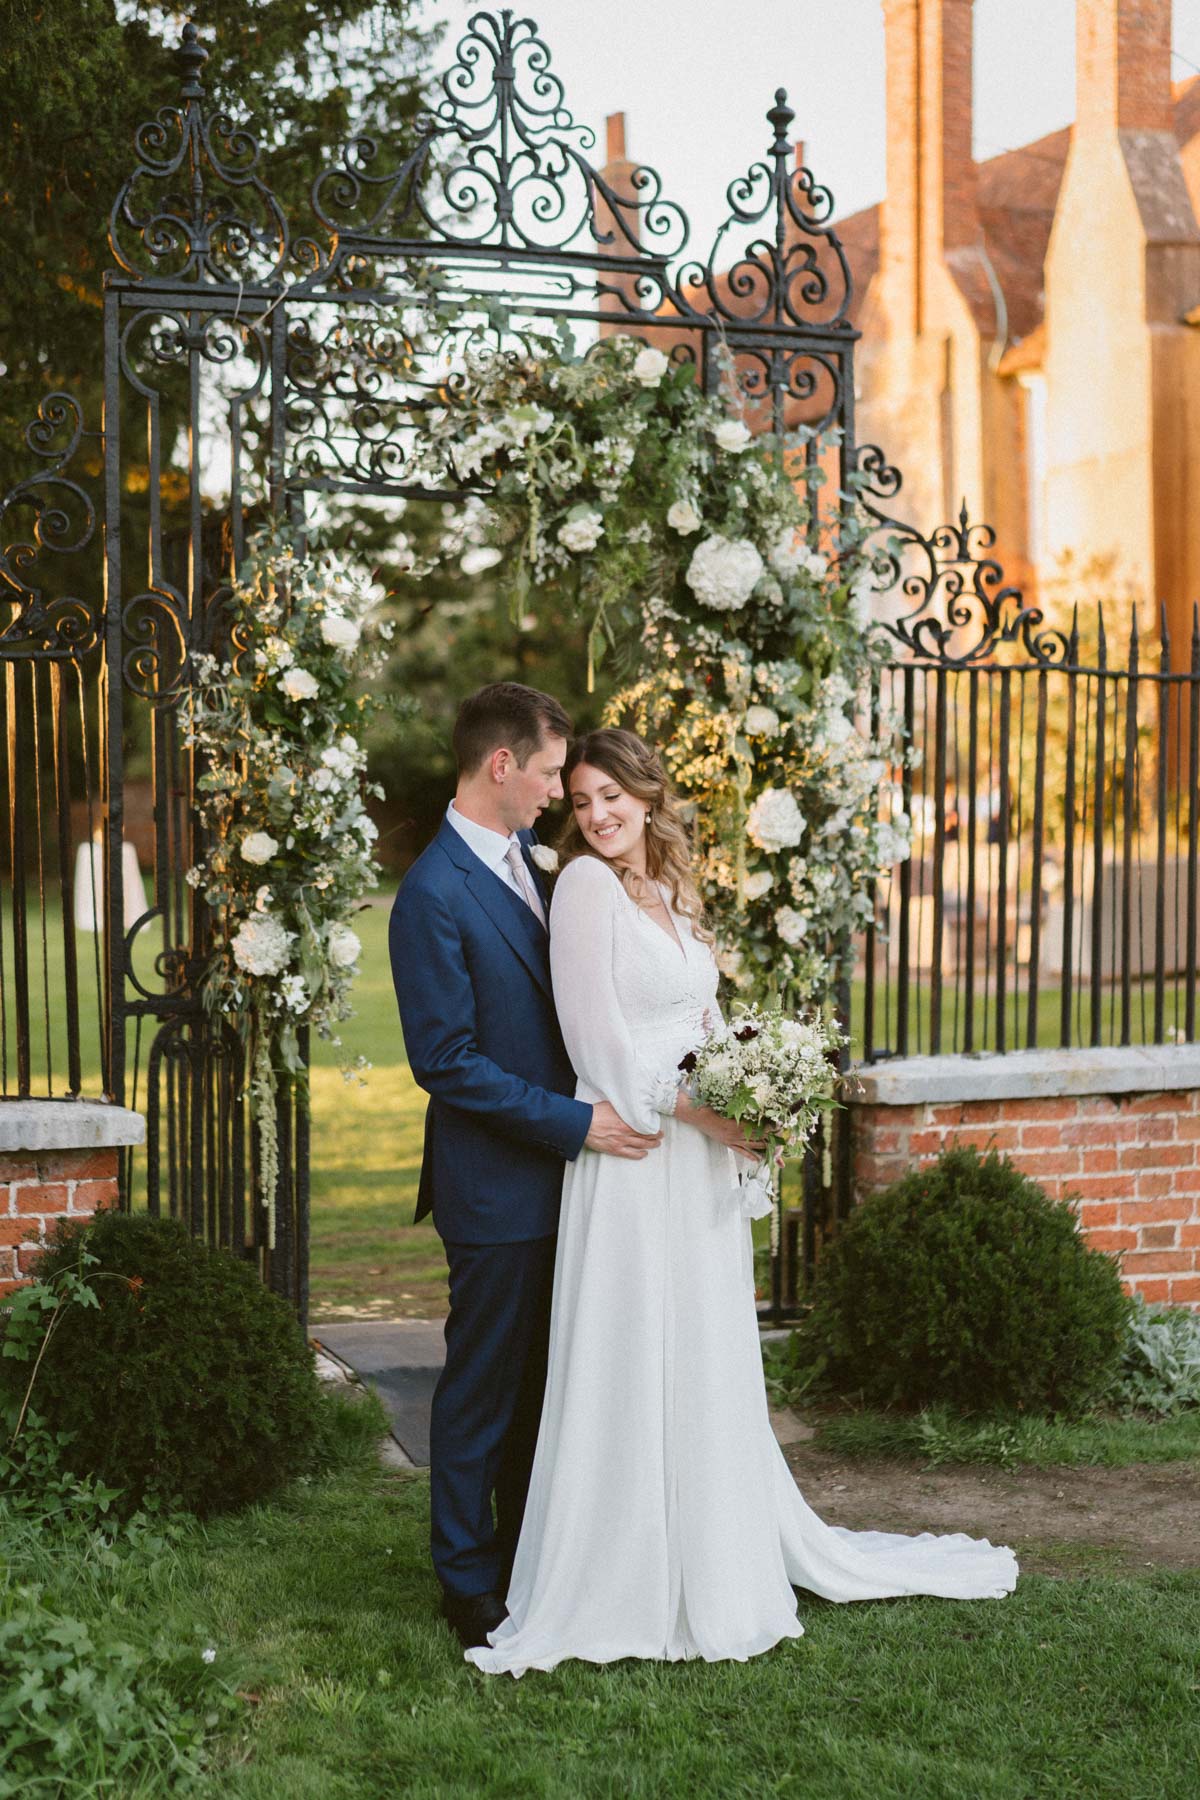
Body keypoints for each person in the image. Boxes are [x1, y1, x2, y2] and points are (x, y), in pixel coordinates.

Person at [466, 727, 1018, 1677]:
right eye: (582, 798)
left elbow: (700, 1019)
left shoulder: (671, 890)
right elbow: (599, 1048)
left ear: (648, 796)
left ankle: (715, 1548)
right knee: (638, 1349)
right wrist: (709, 1118)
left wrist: (755, 1083)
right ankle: (628, 1568)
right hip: (639, 1160)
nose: (596, 815)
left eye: (613, 797)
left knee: (703, 1351)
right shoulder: (586, 890)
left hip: (696, 1161)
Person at [389, 686, 663, 1652]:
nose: (561, 792)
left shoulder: (535, 869)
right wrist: (575, 1123)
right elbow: (447, 1062)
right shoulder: (430, 895)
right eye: (551, 773)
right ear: (502, 766)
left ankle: (531, 1560)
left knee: (551, 1388)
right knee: (483, 1391)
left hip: (571, 1181)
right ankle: (466, 1582)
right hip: (499, 1186)